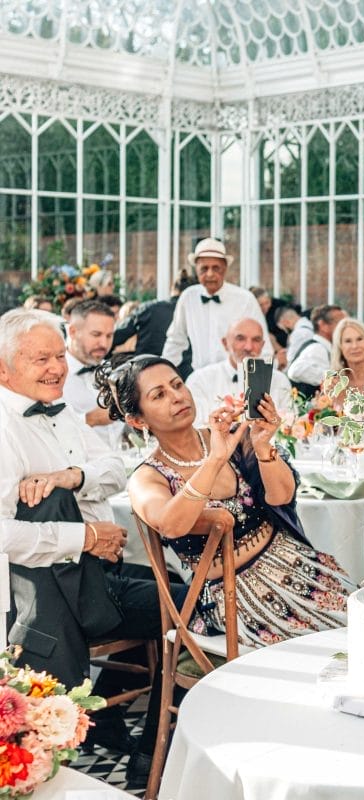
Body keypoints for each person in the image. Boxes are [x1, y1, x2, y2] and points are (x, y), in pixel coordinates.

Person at [0, 309, 168, 777]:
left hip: (98, 577)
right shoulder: (3, 430)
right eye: (41, 359)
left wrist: (73, 476)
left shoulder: (64, 412)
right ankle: (139, 750)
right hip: (41, 592)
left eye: (59, 355)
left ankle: (122, 723)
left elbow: (119, 467)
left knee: (183, 594)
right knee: (183, 604)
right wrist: (86, 537)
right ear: (3, 369)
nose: (57, 368)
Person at [104, 355, 354, 648]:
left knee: (363, 630)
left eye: (177, 385)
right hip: (237, 596)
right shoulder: (147, 478)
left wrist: (262, 446)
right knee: (324, 650)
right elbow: (171, 524)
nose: (177, 396)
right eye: (159, 395)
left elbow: (281, 496)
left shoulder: (233, 439)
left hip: (298, 564)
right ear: (137, 420)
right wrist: (214, 461)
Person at [162, 238, 273, 372]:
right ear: (196, 269)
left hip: (238, 377)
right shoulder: (188, 297)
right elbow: (175, 340)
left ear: (225, 268)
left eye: (216, 268)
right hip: (200, 378)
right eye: (204, 268)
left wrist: (260, 382)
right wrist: (163, 372)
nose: (210, 274)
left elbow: (262, 345)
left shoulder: (245, 299)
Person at [185, 318, 295, 422]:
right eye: (240, 338)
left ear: (262, 345)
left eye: (256, 340)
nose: (248, 347)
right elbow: (196, 427)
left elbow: (289, 424)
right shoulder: (200, 380)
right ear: (225, 343)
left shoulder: (280, 380)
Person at [63, 300, 124, 449]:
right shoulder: (53, 374)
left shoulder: (112, 370)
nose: (104, 343)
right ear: (72, 332)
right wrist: (90, 419)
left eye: (109, 336)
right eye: (96, 334)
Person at [112, 268, 197, 373]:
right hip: (184, 376)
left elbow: (117, 335)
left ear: (172, 288)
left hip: (146, 373)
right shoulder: (196, 315)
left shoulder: (148, 308)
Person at [324, 317, 364, 409]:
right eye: (348, 341)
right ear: (340, 347)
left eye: (359, 339)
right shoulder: (334, 382)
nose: (355, 346)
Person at [286, 304, 345, 399]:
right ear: (323, 325)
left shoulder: (324, 347)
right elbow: (295, 370)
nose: (345, 327)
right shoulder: (317, 348)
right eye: (340, 323)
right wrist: (334, 378)